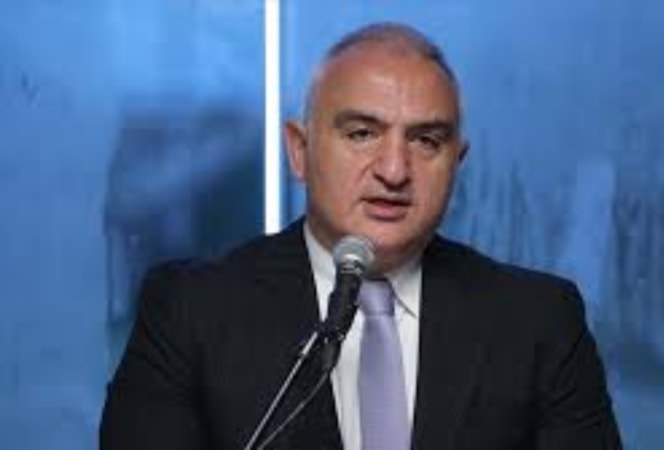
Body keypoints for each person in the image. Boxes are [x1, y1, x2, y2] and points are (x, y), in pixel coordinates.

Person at [100, 22, 621, 449]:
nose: (394, 170)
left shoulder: (539, 321)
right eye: (362, 134)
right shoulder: (191, 311)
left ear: (456, 163)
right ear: (299, 150)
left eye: (426, 140)